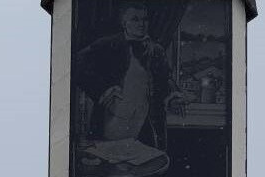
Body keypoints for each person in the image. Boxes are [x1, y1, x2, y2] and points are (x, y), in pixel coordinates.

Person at [75, 1, 184, 150]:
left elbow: (166, 80)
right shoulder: (107, 44)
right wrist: (101, 90)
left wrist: (173, 97)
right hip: (111, 121)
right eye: (135, 19)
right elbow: (75, 64)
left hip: (145, 125)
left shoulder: (157, 50)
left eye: (145, 19)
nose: (142, 24)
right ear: (124, 22)